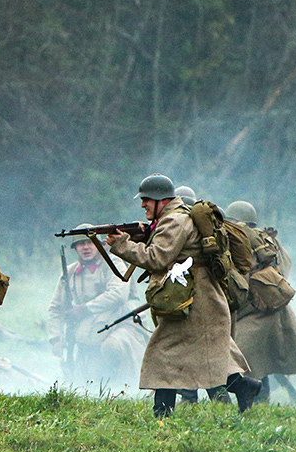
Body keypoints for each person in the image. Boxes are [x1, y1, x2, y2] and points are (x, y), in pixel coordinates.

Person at [106, 175, 259, 417]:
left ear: (161, 200)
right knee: (203, 354)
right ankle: (243, 388)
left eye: (146, 200)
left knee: (164, 352)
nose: (143, 205)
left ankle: (162, 415)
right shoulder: (175, 218)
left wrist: (122, 244)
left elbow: (156, 258)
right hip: (196, 296)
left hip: (193, 298)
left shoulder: (174, 221)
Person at [223, 200, 296, 400]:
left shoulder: (245, 242)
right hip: (269, 308)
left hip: (256, 311)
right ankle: (257, 402)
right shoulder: (268, 242)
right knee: (256, 362)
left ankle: (255, 403)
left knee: (244, 359)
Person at [47, 225, 147, 391]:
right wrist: (56, 338)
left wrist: (85, 309)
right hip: (89, 332)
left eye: (90, 243)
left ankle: (129, 388)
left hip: (122, 325)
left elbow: (118, 294)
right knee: (88, 382)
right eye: (81, 244)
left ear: (101, 245)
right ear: (75, 248)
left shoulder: (114, 263)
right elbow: (56, 308)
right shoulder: (70, 272)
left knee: (113, 346)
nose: (86, 247)